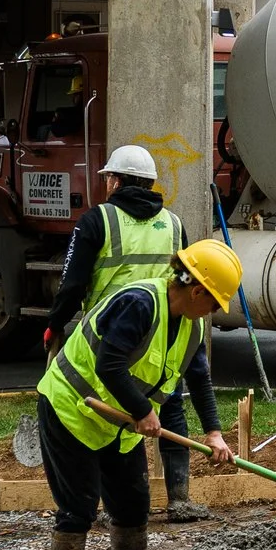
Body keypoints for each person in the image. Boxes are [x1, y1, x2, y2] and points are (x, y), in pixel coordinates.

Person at [36, 240, 242, 550]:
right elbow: (109, 365)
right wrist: (143, 410)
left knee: (133, 504)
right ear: (197, 291)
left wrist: (213, 431)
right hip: (72, 411)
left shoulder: (190, 328)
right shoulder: (140, 304)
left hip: (120, 426)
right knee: (79, 506)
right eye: (214, 303)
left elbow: (199, 379)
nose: (213, 311)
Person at [44, 144, 211, 524]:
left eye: (108, 179)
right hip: (165, 331)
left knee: (106, 414)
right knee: (169, 404)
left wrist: (55, 323)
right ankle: (178, 499)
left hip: (111, 337)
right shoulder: (173, 223)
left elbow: (73, 283)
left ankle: (104, 503)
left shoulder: (97, 220)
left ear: (116, 181)